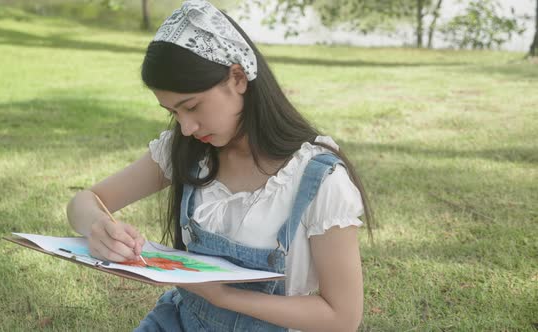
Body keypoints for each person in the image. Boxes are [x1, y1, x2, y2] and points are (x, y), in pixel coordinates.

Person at [66, 0, 374, 331]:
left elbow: (342, 317)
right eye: (173, 112)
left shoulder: (317, 178)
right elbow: (83, 202)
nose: (186, 127)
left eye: (192, 106)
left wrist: (224, 296)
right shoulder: (187, 151)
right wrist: (98, 228)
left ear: (238, 78)